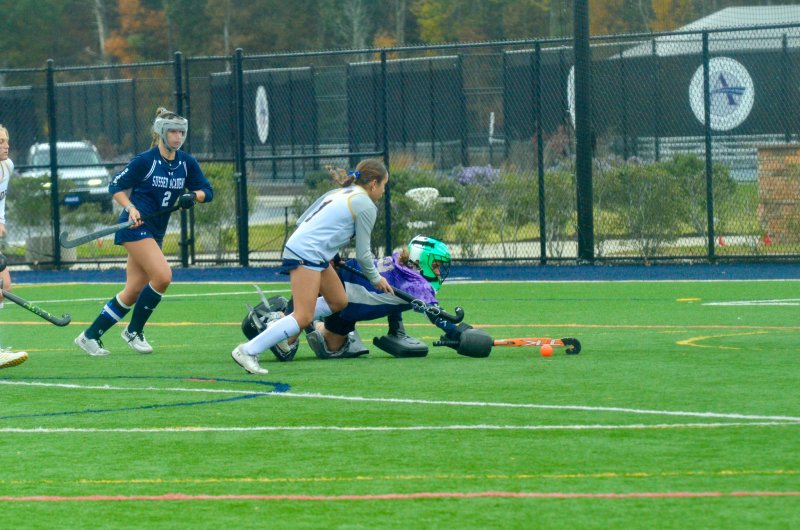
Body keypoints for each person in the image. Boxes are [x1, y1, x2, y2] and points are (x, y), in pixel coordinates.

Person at [231, 159, 393, 374]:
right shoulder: (365, 205)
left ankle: (276, 327)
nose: (383, 191)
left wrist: (330, 253)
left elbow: (303, 220)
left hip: (313, 252)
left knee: (338, 301)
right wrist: (376, 279)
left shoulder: (340, 192)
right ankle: (248, 350)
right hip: (307, 253)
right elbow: (363, 254)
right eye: (383, 185)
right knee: (304, 316)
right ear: (373, 183)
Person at [74, 107, 213, 356]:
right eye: (172, 132)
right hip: (135, 227)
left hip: (155, 231)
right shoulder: (145, 161)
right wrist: (131, 207)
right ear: (161, 132)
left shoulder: (185, 162)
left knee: (133, 290)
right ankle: (133, 331)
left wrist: (193, 196)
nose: (178, 137)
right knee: (162, 276)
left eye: (181, 132)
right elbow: (115, 185)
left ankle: (89, 336)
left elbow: (207, 191)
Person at [242, 235, 493, 361]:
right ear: (423, 261)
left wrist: (396, 328)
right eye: (437, 265)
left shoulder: (398, 259)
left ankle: (312, 322)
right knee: (286, 344)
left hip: (350, 305)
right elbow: (440, 320)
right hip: (339, 286)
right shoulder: (418, 285)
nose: (439, 271)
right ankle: (287, 320)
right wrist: (464, 332)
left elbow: (393, 299)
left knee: (331, 348)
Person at [0, 124, 28, 369]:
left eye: (6, 140)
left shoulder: (7, 166)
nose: (5, 145)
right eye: (0, 142)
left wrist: (0, 221)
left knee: (4, 285)